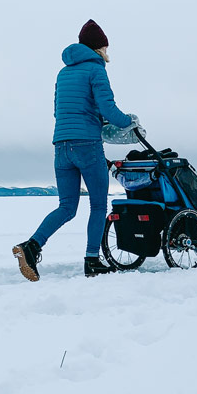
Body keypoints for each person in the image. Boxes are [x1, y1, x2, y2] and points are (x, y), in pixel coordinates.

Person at [13, 19, 136, 280]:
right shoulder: (96, 70)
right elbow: (108, 109)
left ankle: (31, 246)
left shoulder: (63, 73)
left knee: (67, 206)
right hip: (87, 145)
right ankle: (92, 260)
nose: (106, 53)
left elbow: (59, 110)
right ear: (98, 47)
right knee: (98, 205)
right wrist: (131, 124)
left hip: (61, 146)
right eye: (105, 47)